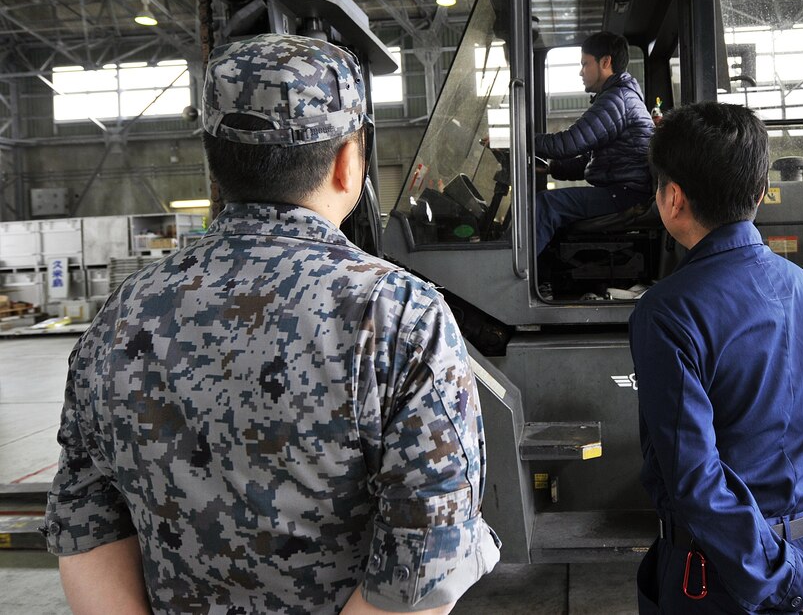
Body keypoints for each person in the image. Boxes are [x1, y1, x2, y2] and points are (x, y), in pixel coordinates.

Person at [43, 33, 500, 615]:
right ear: (347, 162)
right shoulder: (396, 315)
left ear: (216, 164)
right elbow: (428, 558)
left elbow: (87, 525)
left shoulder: (120, 315)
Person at [631, 102, 803, 615]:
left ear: (672, 197)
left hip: (720, 576)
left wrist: (793, 580)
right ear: (761, 192)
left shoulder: (667, 313)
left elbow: (696, 480)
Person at [534, 31, 655, 255]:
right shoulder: (621, 97)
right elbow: (593, 161)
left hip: (626, 195)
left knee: (545, 205)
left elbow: (568, 144)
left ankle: (516, 277)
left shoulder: (617, 99)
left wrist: (519, 140)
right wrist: (552, 168)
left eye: (584, 64)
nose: (581, 72)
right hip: (624, 191)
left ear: (605, 62)